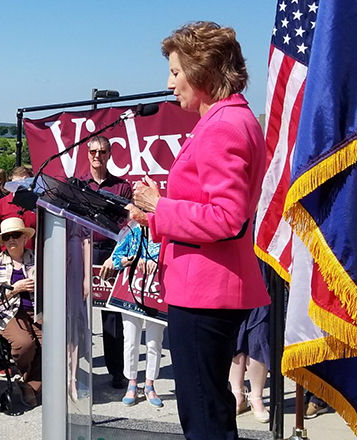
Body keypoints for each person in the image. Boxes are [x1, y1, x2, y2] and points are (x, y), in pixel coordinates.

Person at [129, 21, 270, 440]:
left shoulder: (222, 126)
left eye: (175, 72)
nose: (169, 84)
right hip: (212, 287)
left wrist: (161, 206)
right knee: (210, 407)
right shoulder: (232, 119)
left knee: (204, 414)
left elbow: (227, 218)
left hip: (206, 291)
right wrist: (155, 214)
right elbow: (215, 208)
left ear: (203, 71)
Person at [86, 135, 133, 390]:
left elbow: (127, 222)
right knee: (79, 314)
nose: (98, 156)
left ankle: (117, 371)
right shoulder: (79, 185)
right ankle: (79, 371)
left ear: (109, 155)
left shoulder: (121, 187)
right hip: (84, 250)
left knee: (113, 314)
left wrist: (117, 257)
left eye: (103, 152)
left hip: (112, 252)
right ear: (87, 154)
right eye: (94, 151)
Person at [0, 217, 41, 408]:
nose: (12, 240)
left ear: (25, 237)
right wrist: (15, 289)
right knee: (24, 343)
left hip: (37, 310)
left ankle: (29, 385)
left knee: (54, 344)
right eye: (7, 237)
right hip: (7, 313)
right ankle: (28, 382)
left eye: (16, 235)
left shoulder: (37, 259)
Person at [109, 226, 164, 408]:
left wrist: (158, 262)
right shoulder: (131, 232)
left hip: (157, 291)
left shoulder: (165, 231)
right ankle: (132, 382)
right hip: (131, 288)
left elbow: (174, 257)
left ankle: (150, 384)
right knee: (131, 339)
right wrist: (129, 260)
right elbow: (116, 258)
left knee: (154, 341)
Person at [229, 305, 270, 423]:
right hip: (235, 292)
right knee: (235, 337)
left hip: (262, 291)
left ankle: (256, 397)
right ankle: (237, 394)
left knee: (259, 337)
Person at [0, 166, 36, 258]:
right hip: (6, 260)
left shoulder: (39, 206)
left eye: (26, 182)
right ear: (11, 182)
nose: (22, 186)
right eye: (17, 183)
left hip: (34, 260)